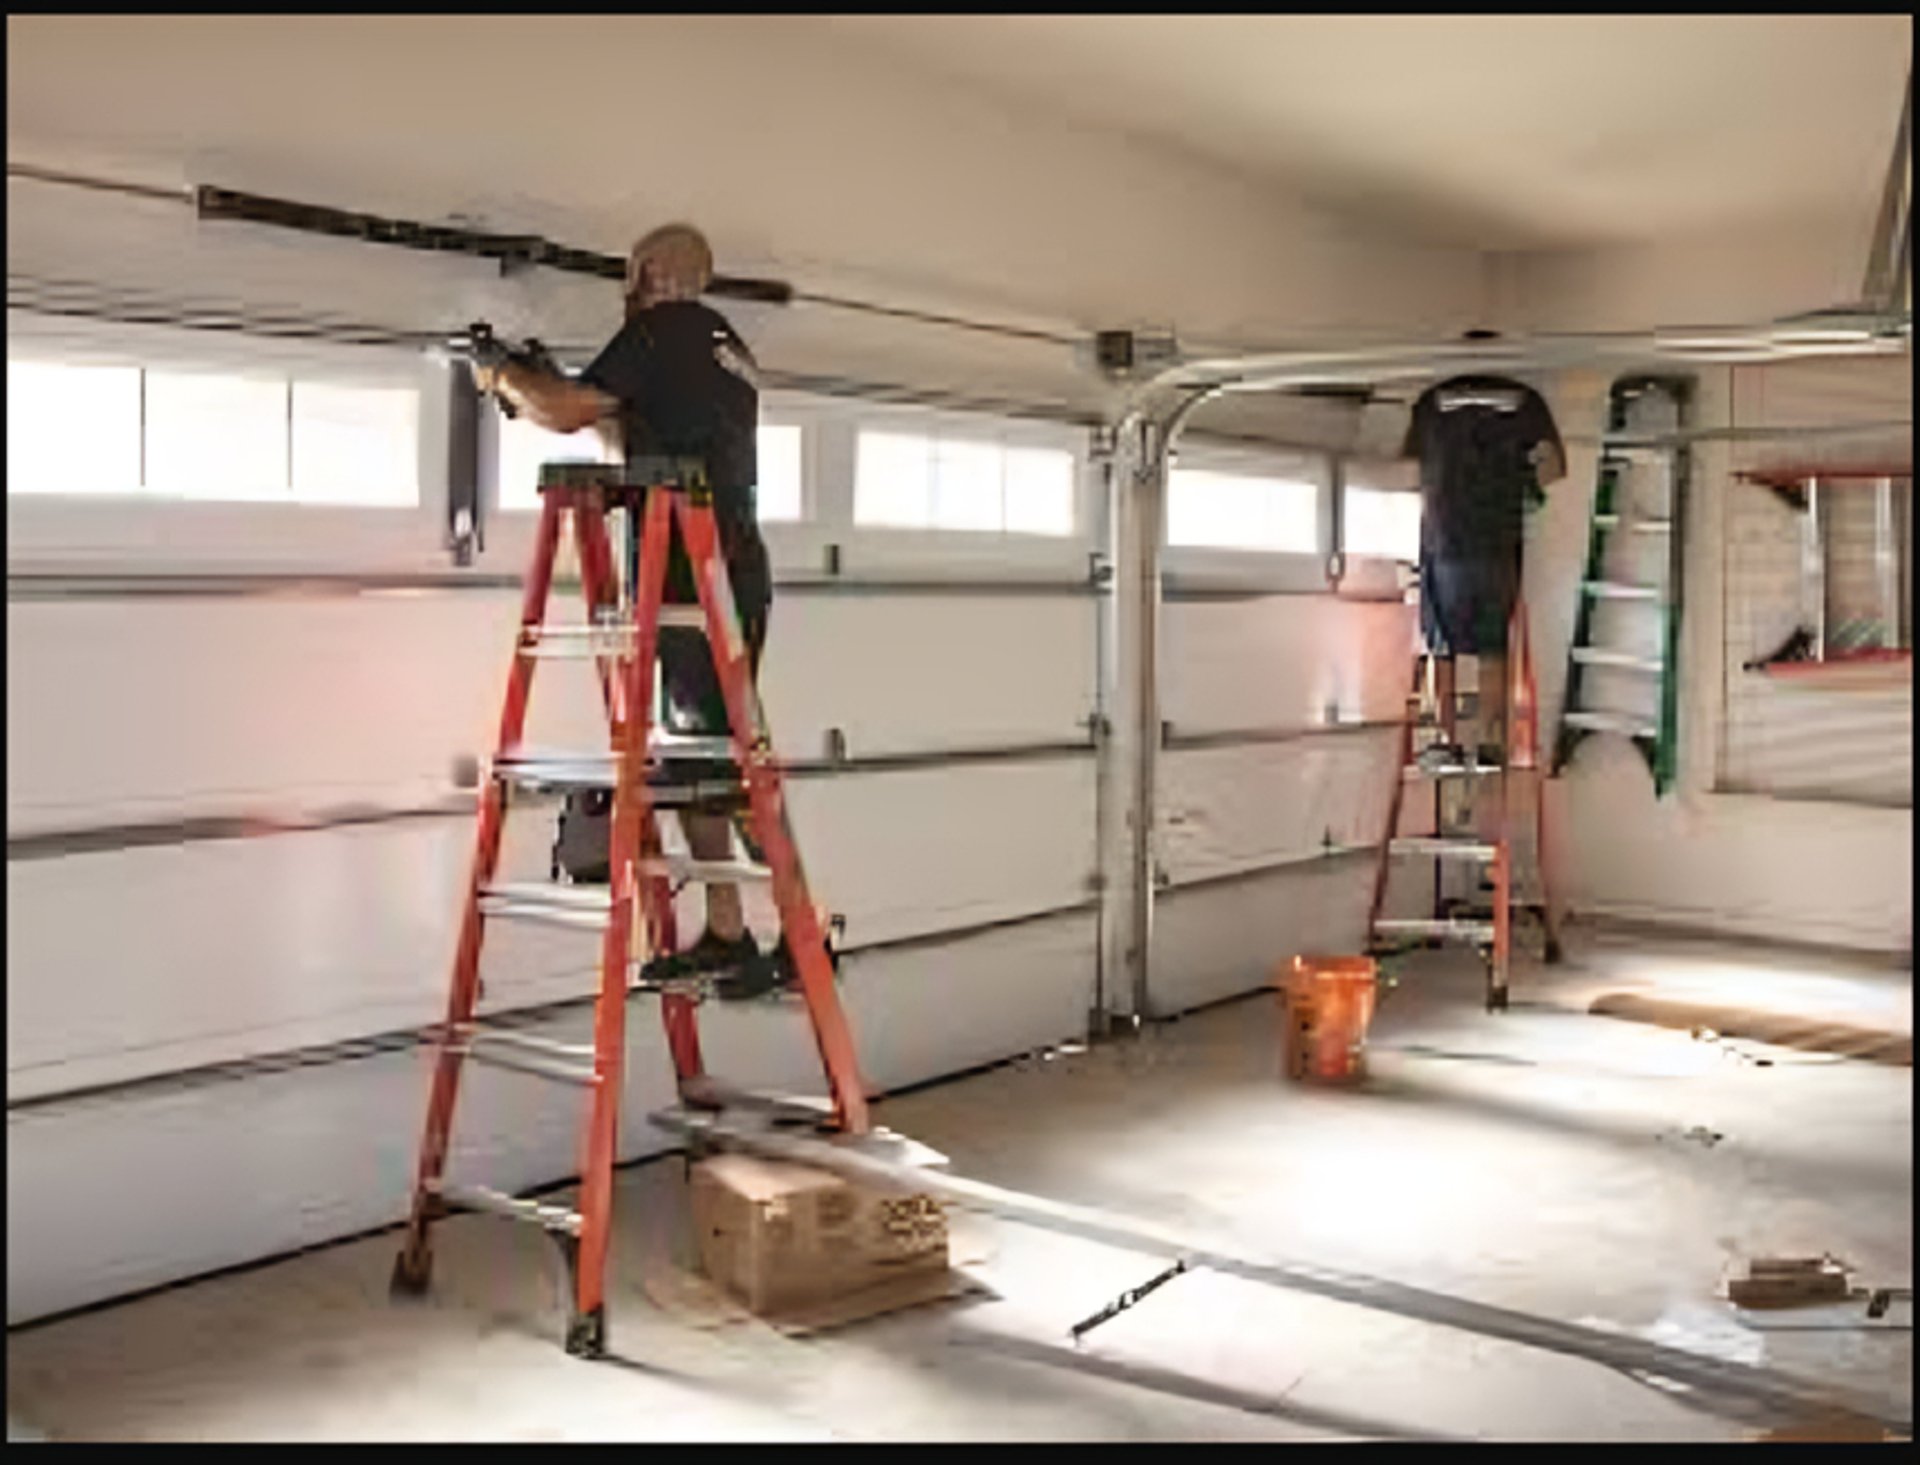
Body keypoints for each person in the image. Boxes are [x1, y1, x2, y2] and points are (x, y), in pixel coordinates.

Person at [473, 222, 786, 999]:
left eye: (630, 274)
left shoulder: (662, 327)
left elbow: (568, 412)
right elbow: (623, 439)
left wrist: (501, 375)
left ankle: (799, 932)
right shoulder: (719, 343)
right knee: (701, 756)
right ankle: (727, 931)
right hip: (717, 561)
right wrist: (546, 382)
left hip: (693, 566)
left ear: (648, 271)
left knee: (726, 762)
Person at [1402, 359, 1566, 762]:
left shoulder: (1432, 402)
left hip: (1445, 540)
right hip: (1497, 542)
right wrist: (1522, 484)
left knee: (1442, 647)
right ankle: (1493, 743)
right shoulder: (1524, 401)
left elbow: (1407, 466)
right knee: (1492, 646)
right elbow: (1555, 468)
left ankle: (1447, 742)